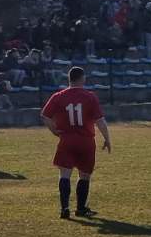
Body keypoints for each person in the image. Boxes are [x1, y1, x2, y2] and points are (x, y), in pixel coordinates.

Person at [42, 66, 111, 219]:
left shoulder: (58, 96)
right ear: (82, 78)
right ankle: (80, 208)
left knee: (64, 174)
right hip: (86, 141)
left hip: (66, 139)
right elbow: (100, 121)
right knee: (84, 175)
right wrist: (107, 138)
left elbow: (45, 116)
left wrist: (54, 131)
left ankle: (65, 208)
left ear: (69, 79)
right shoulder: (90, 97)